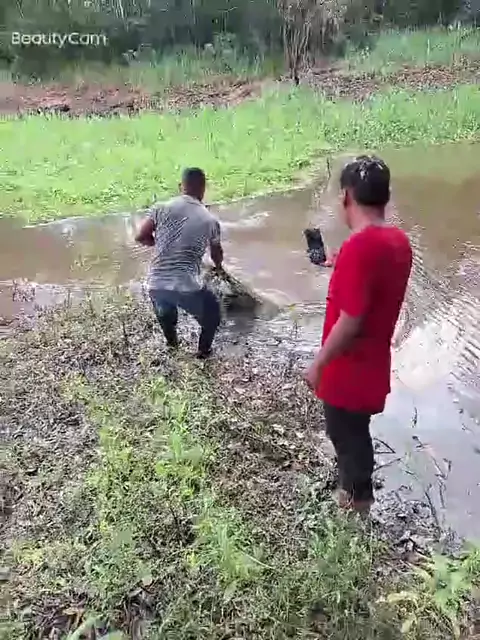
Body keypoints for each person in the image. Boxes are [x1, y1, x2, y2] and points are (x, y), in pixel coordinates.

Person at [304, 155, 412, 514]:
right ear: (386, 195)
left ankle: (356, 512)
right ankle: (354, 496)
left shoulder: (358, 248)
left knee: (348, 441)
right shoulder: (398, 241)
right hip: (373, 369)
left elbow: (350, 321)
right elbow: (375, 284)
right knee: (355, 435)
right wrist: (340, 263)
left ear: (347, 196)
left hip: (347, 373)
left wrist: (318, 365)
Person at [135, 167, 224, 359]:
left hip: (156, 284)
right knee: (213, 316)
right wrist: (218, 268)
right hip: (186, 286)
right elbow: (216, 255)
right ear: (203, 188)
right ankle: (203, 353)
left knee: (166, 312)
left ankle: (172, 346)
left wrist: (160, 245)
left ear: (180, 186)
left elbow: (141, 236)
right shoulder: (210, 220)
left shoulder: (160, 208)